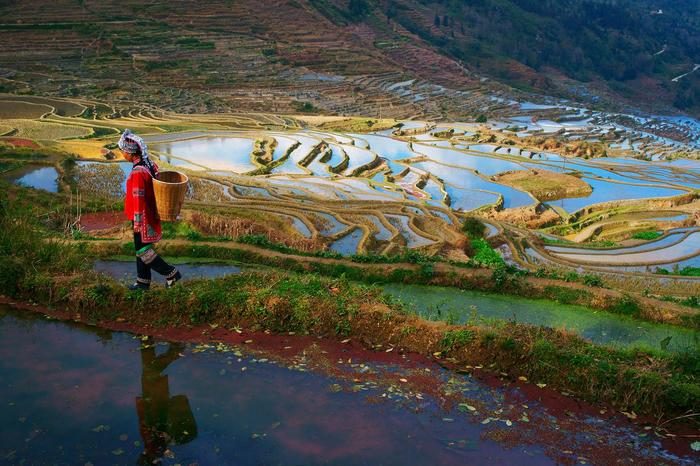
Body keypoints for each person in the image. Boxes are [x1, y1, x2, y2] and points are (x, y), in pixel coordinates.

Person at [118, 129, 181, 290]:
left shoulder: (138, 173)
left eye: (123, 151)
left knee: (143, 251)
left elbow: (138, 198)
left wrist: (138, 222)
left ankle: (171, 274)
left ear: (130, 153)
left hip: (142, 216)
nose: (122, 154)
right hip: (150, 213)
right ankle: (142, 282)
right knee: (141, 249)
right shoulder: (150, 164)